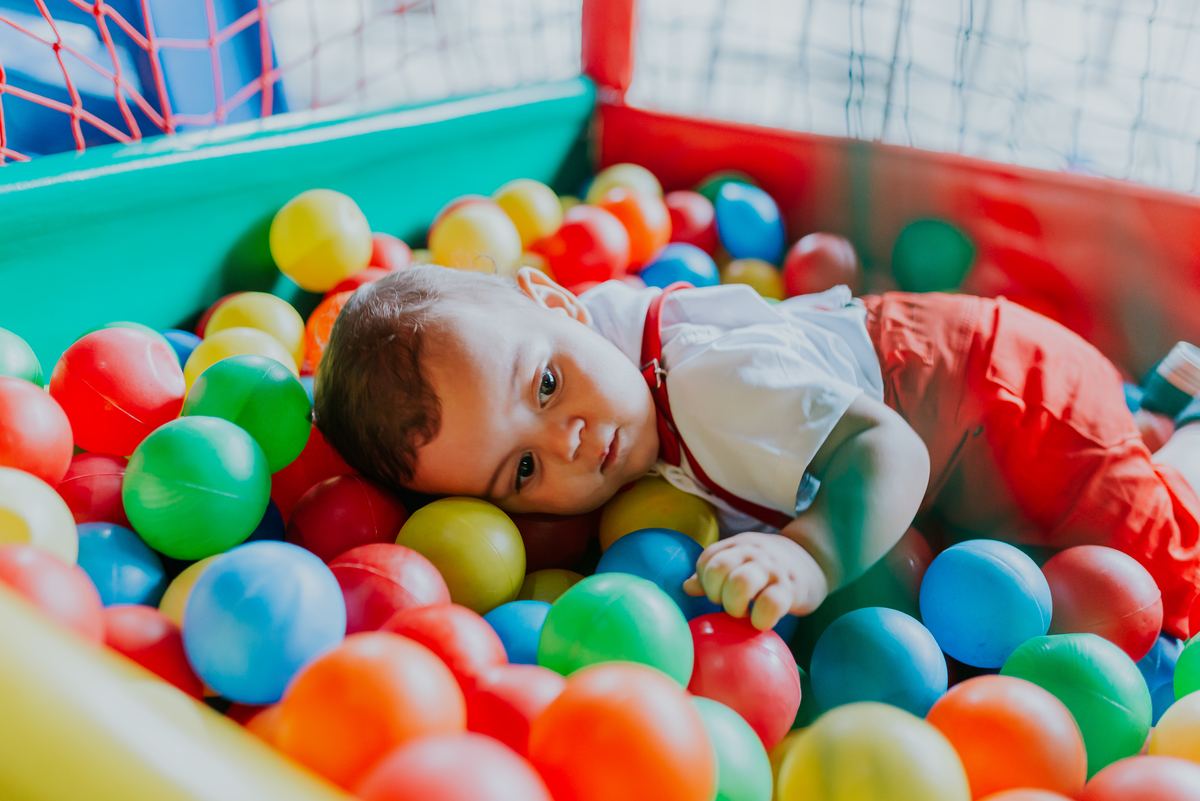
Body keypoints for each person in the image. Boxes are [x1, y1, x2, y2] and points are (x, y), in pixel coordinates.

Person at [314, 263, 1200, 637]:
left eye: (544, 387)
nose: (569, 438)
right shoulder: (597, 343)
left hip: (1014, 404)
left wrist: (806, 554)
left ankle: (1182, 433)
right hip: (963, 392)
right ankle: (1157, 405)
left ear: (560, 301)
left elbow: (887, 450)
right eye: (522, 471)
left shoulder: (708, 387)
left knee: (1160, 577)